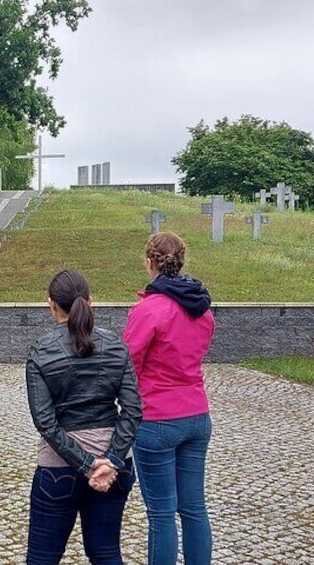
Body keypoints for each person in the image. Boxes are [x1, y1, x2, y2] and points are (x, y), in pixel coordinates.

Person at [25, 269, 142, 565]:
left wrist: (87, 464)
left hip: (59, 468)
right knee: (106, 553)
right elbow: (132, 409)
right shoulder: (115, 345)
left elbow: (45, 420)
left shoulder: (41, 349)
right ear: (91, 301)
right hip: (115, 468)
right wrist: (112, 460)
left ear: (51, 304)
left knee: (42, 558)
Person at [122, 232, 215, 565]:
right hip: (197, 414)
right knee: (193, 508)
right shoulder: (202, 309)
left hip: (158, 417)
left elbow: (127, 365)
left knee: (161, 513)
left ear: (150, 262)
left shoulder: (149, 310)